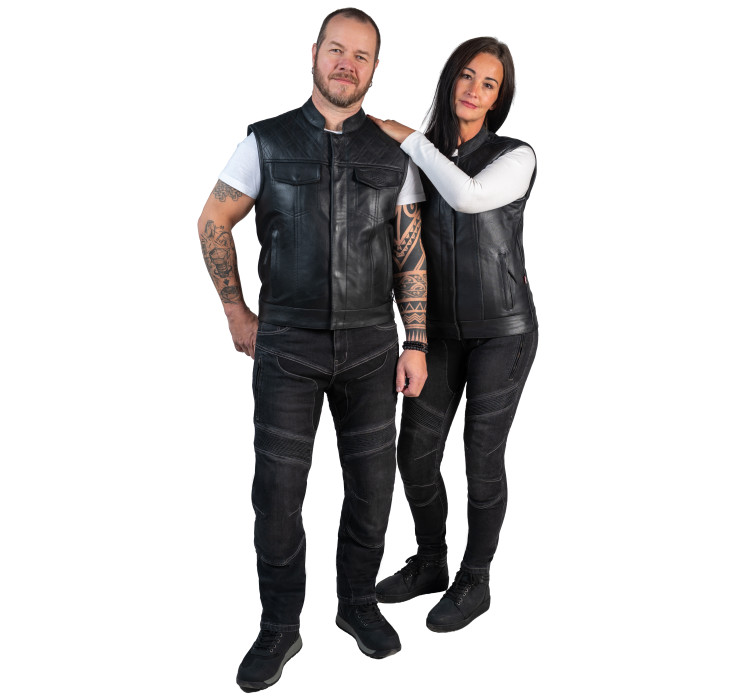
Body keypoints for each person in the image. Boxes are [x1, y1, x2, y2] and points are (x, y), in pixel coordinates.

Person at [197, 8, 428, 692]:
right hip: (287, 348)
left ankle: (357, 605)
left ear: (374, 68)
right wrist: (236, 310)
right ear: (315, 53)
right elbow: (213, 219)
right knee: (277, 496)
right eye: (337, 49)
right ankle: (279, 626)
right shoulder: (265, 141)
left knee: (372, 491)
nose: (346, 63)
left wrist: (416, 340)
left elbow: (409, 254)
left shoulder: (392, 154)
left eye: (361, 55)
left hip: (370, 347)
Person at [370, 36, 538, 633]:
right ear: (450, 80)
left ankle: (476, 578)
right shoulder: (421, 159)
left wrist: (409, 138)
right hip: (437, 332)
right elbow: (405, 240)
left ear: (498, 99)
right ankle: (431, 561)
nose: (474, 90)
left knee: (480, 457)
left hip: (503, 332)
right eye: (467, 76)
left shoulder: (516, 156)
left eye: (488, 84)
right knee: (414, 455)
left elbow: (469, 197)